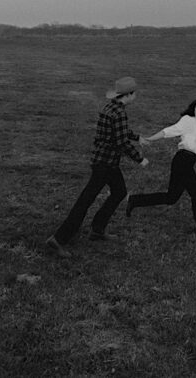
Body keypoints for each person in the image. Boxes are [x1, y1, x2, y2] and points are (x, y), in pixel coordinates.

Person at [46, 76, 150, 258]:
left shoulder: (111, 107)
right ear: (129, 95)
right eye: (135, 93)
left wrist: (137, 137)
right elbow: (121, 142)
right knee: (86, 200)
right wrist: (139, 158)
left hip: (104, 160)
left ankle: (97, 229)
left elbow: (120, 132)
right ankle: (58, 239)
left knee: (118, 192)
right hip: (105, 163)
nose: (136, 96)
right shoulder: (119, 113)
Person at [126, 97, 196, 236]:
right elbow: (169, 131)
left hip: (187, 162)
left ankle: (135, 200)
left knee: (171, 198)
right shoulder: (188, 120)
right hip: (182, 161)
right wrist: (150, 138)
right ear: (194, 108)